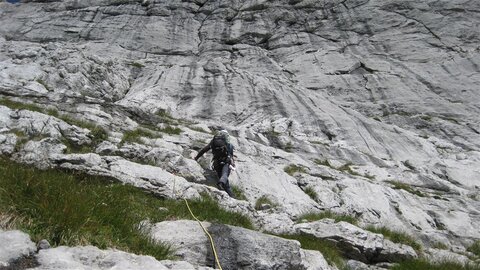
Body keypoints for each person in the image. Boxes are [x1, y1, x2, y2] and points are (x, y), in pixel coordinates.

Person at [194, 129, 235, 197]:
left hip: (217, 163)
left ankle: (222, 185)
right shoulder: (229, 144)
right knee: (224, 174)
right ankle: (230, 194)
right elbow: (230, 155)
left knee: (221, 176)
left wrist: (196, 158)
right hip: (225, 162)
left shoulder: (213, 142)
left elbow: (204, 150)